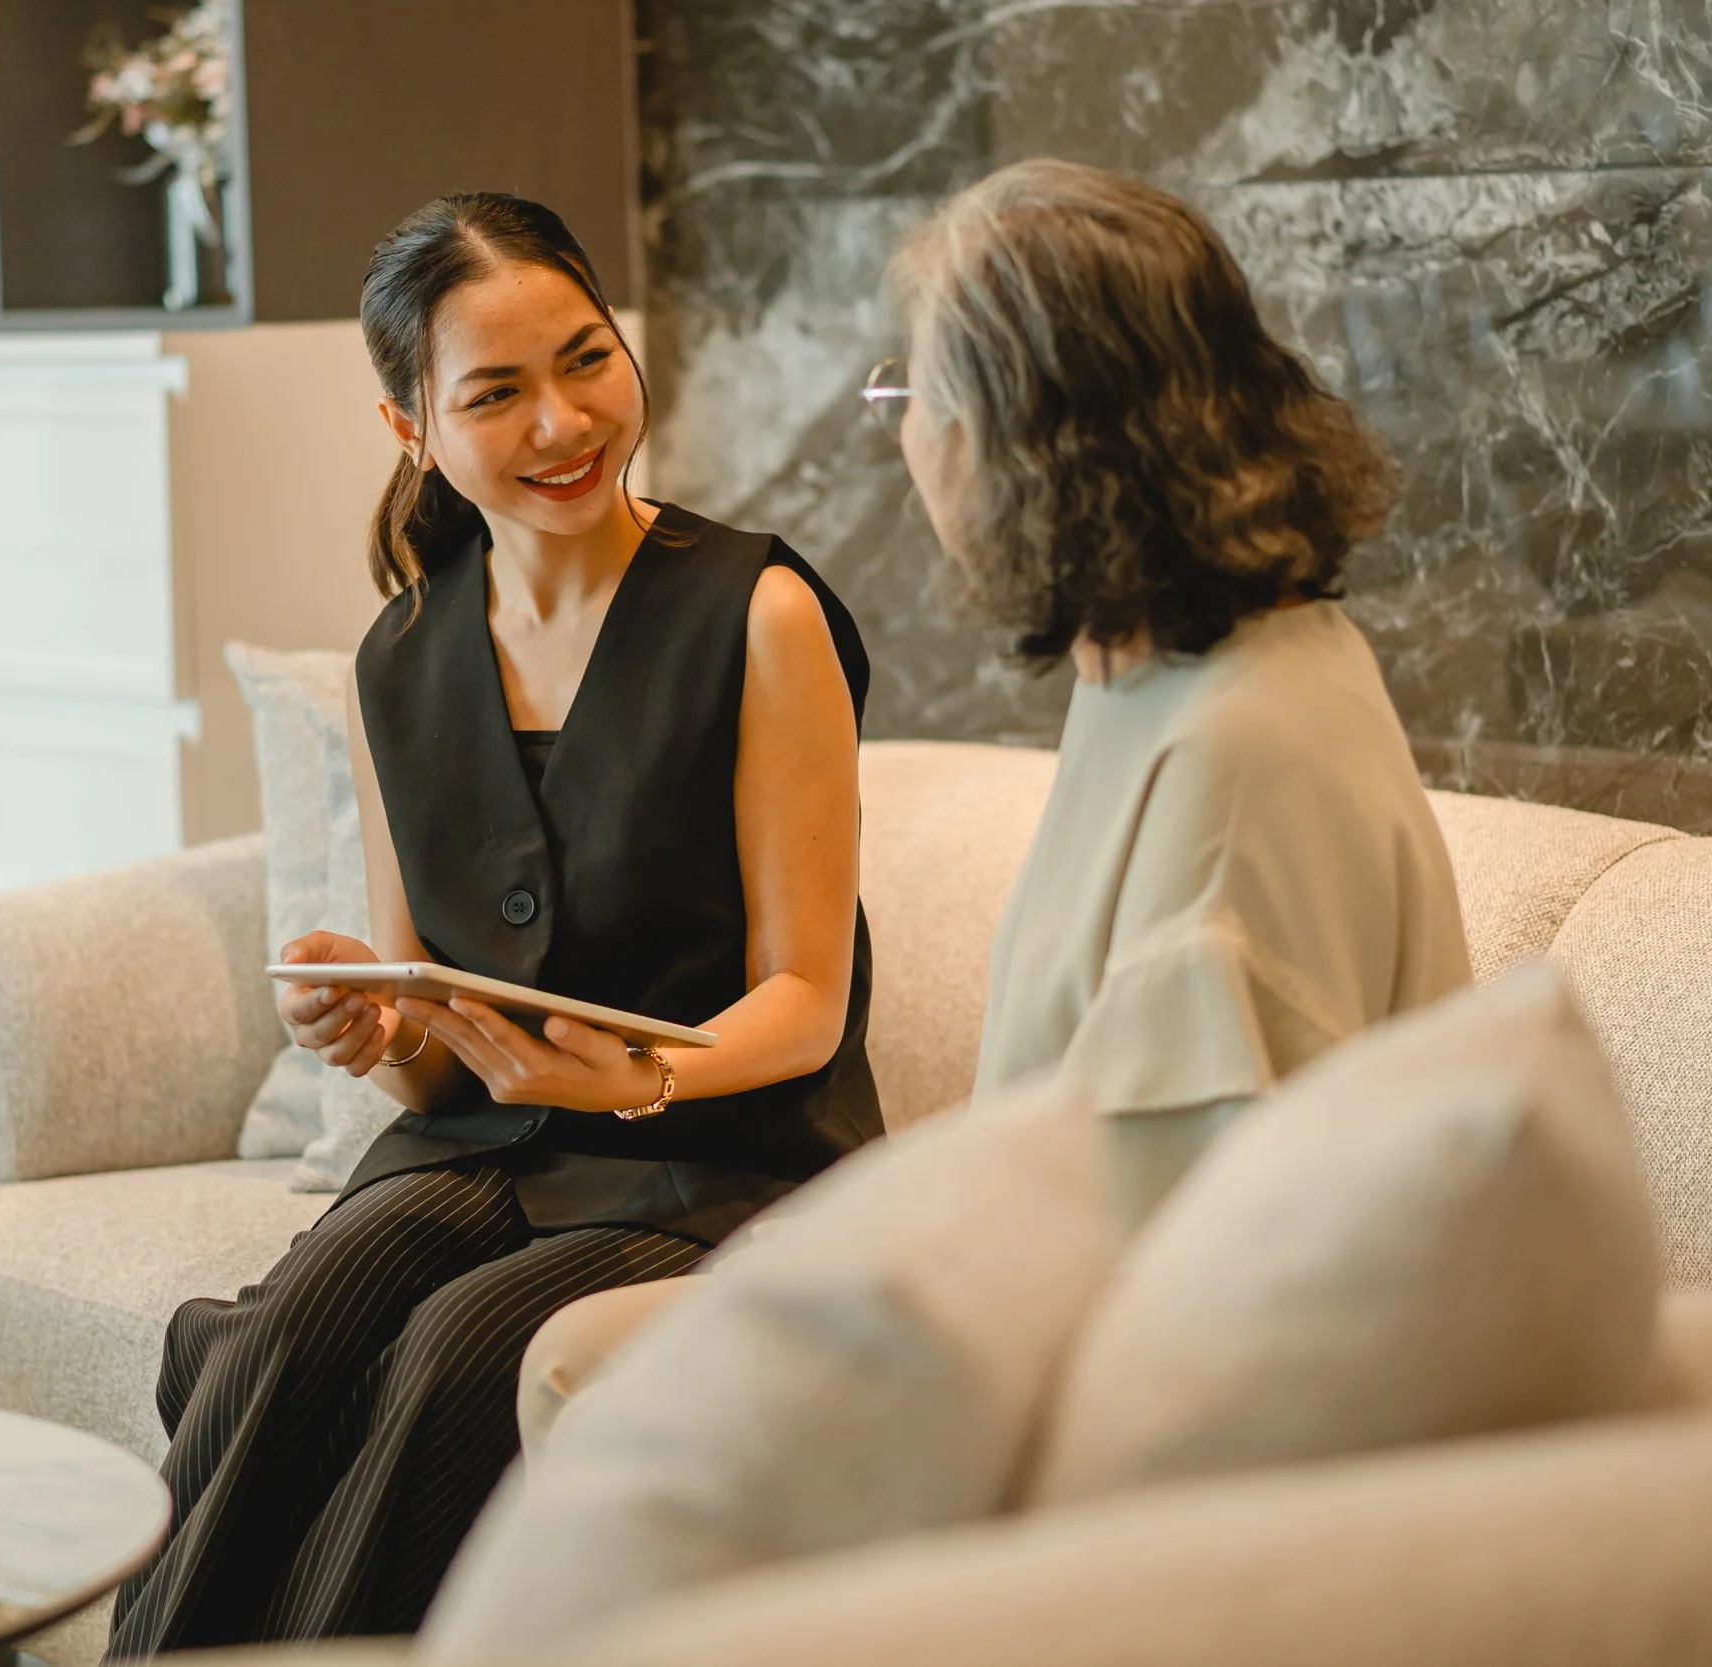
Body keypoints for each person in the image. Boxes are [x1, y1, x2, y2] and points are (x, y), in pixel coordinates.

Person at [511, 156, 1473, 1450]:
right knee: (562, 1347)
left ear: (1019, 439)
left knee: (583, 1369)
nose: (904, 439)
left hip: (1148, 1383)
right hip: (1058, 1280)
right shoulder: (1164, 661)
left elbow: (1168, 1256)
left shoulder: (1231, 756)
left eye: (910, 391)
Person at [104, 192, 882, 1656]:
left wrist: (641, 1077)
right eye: (498, 393)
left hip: (722, 1163)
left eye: (587, 360)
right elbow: (438, 1058)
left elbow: (807, 993)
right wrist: (377, 1026)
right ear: (413, 427)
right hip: (482, 1153)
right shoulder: (399, 657)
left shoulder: (756, 612)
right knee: (287, 1329)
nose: (564, 420)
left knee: (461, 1356)